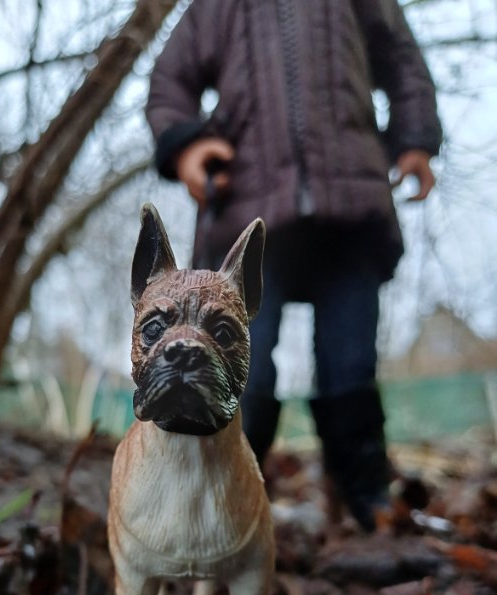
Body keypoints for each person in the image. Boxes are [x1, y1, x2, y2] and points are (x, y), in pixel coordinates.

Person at [145, 0, 442, 532]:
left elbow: (400, 56)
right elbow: (171, 79)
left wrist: (415, 138)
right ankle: (222, 499)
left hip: (351, 203)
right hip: (249, 210)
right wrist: (187, 145)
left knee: (351, 360)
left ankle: (366, 499)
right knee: (239, 360)